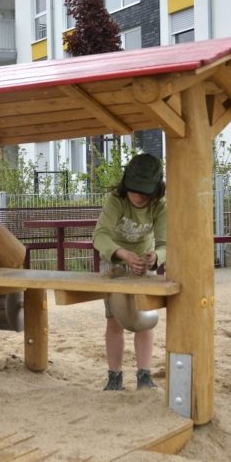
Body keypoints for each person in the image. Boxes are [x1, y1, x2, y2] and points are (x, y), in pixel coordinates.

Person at [93, 153, 166, 391]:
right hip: (114, 263)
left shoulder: (160, 206)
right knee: (115, 321)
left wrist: (155, 257)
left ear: (155, 190)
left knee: (144, 320)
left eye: (144, 192)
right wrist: (123, 254)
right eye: (134, 190)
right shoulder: (116, 200)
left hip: (144, 265)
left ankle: (144, 376)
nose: (138, 196)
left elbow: (166, 243)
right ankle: (114, 376)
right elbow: (100, 235)